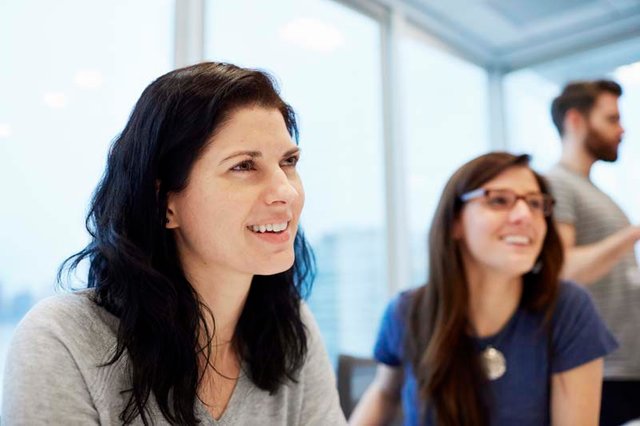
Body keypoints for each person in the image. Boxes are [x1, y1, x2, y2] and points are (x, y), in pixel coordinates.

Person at [2, 62, 346, 425]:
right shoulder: (63, 341)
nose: (286, 191)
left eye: (288, 161)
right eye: (244, 166)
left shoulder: (290, 327)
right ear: (166, 202)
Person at [350, 152, 617, 426]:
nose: (525, 215)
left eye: (536, 203)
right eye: (499, 200)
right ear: (455, 222)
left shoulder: (567, 309)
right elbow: (384, 393)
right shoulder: (408, 312)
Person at [545, 79, 640, 426]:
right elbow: (562, 269)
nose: (622, 129)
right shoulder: (557, 184)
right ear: (576, 121)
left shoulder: (594, 192)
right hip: (602, 368)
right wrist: (633, 234)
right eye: (611, 118)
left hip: (626, 365)